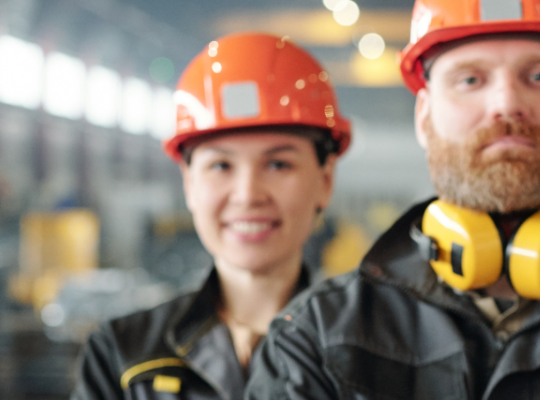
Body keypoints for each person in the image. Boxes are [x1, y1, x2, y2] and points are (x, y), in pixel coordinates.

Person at [244, 0, 540, 398]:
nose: (506, 102)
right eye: (470, 79)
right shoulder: (315, 339)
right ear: (425, 118)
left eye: (539, 75)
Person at [72, 32, 352, 399]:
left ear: (325, 180)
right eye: (221, 165)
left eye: (278, 164)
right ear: (189, 184)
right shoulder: (121, 357)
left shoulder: (371, 354)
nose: (248, 194)